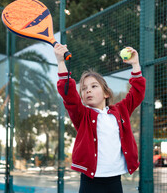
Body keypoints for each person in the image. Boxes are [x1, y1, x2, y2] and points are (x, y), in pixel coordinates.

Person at [54, 44, 146, 193]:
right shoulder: (82, 115)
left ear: (106, 93)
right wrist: (60, 62)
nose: (88, 89)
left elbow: (137, 92)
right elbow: (68, 94)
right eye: (84, 88)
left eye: (94, 86)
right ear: (82, 97)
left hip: (115, 181)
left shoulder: (120, 111)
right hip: (90, 182)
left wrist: (135, 64)